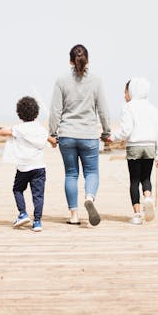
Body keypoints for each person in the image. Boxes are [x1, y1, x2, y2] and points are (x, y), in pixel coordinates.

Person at [49, 44, 111, 226]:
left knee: (71, 174)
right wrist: (107, 132)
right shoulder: (97, 81)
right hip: (89, 135)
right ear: (88, 60)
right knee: (91, 172)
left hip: (67, 135)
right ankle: (90, 197)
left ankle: (74, 216)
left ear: (70, 61)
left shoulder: (61, 80)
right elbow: (103, 110)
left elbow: (55, 110)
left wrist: (52, 133)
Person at [107, 77, 158, 224]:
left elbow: (126, 131)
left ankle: (138, 215)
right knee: (146, 178)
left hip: (134, 147)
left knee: (134, 180)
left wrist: (112, 138)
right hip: (150, 146)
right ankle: (148, 198)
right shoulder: (153, 108)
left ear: (132, 91)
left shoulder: (128, 107)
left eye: (126, 92)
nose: (124, 95)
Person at [0, 96, 56, 232]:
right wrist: (53, 141)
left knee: (17, 189)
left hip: (23, 167)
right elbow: (51, 141)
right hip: (39, 167)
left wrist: (10, 128)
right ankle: (37, 222)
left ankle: (23, 213)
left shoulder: (19, 129)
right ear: (36, 113)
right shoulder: (41, 129)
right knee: (38, 195)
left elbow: (1, 131)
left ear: (19, 114)